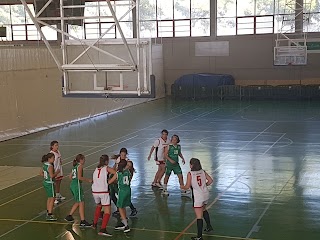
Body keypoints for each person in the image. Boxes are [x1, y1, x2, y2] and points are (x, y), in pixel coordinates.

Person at [180, 158, 214, 240]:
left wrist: (182, 186)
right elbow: (210, 180)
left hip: (198, 196)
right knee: (204, 209)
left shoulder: (190, 174)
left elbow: (187, 186)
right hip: (205, 194)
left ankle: (199, 236)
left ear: (191, 165)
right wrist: (204, 185)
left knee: (199, 216)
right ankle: (209, 226)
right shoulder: (203, 171)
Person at [64, 154, 92, 227]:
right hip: (77, 185)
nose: (85, 160)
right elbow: (79, 177)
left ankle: (69, 216)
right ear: (81, 160)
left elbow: (70, 176)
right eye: (84, 159)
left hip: (72, 185)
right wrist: (88, 180)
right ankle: (82, 221)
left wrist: (74, 180)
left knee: (77, 201)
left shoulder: (75, 167)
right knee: (81, 202)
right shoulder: (80, 166)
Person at [92, 155, 116, 236]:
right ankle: (103, 229)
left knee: (98, 206)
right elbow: (116, 173)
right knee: (107, 211)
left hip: (95, 191)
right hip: (103, 191)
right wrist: (109, 181)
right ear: (106, 161)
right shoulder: (106, 168)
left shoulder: (96, 169)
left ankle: (94, 224)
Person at [111, 148, 137, 217]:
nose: (123, 156)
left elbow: (130, 172)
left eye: (124, 155)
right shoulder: (118, 160)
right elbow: (114, 168)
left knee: (123, 197)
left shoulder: (127, 162)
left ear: (126, 155)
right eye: (122, 155)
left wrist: (129, 180)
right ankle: (119, 209)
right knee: (113, 195)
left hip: (122, 182)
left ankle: (132, 209)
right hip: (117, 181)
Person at [108, 159, 132, 233]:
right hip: (128, 190)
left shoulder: (118, 173)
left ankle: (126, 226)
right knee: (123, 206)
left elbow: (110, 182)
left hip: (122, 192)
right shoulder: (128, 172)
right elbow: (129, 179)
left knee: (120, 207)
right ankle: (123, 220)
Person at [40, 152, 60, 221]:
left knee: (49, 198)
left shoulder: (44, 165)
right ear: (49, 159)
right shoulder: (50, 166)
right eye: (53, 158)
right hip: (50, 183)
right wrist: (57, 172)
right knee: (52, 198)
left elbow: (41, 173)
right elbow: (52, 176)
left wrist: (46, 177)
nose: (54, 159)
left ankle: (48, 211)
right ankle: (50, 214)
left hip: (45, 182)